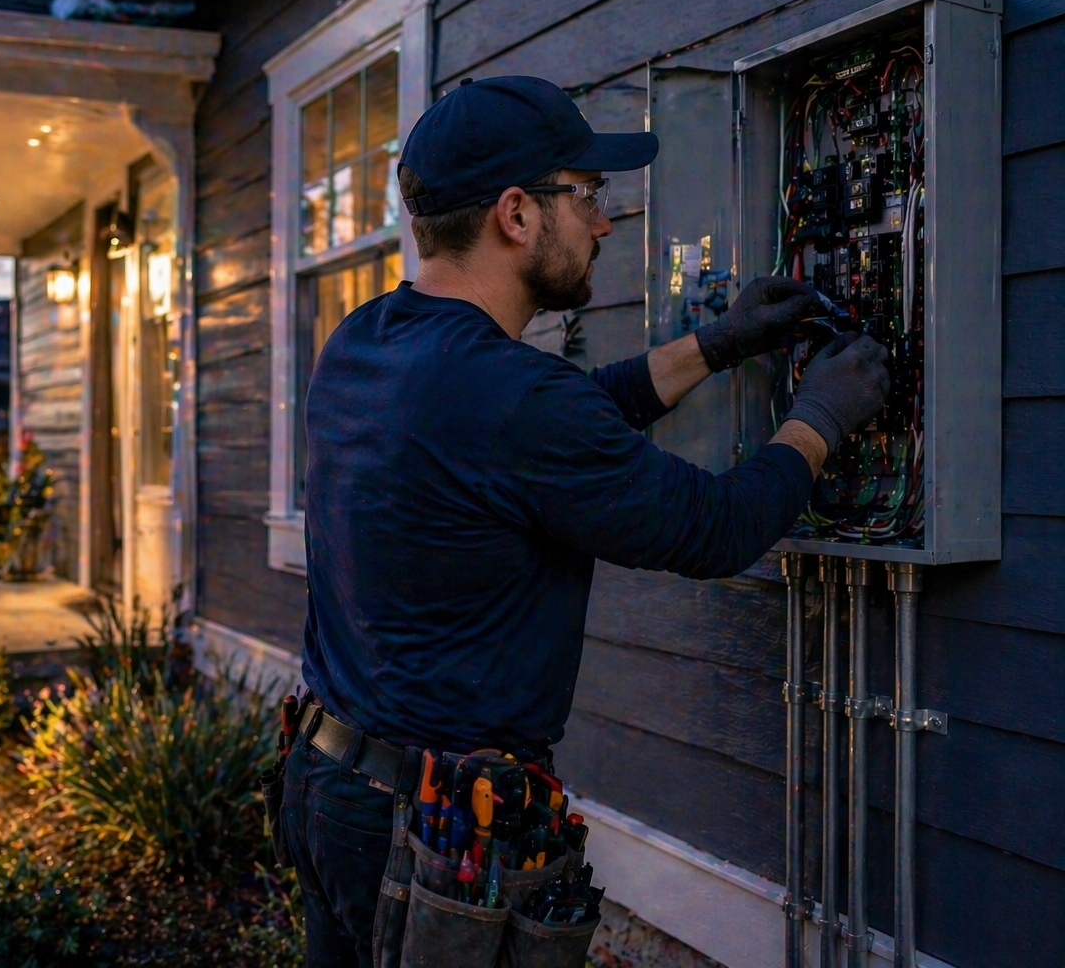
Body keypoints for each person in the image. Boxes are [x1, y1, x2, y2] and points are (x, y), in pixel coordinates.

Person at [279, 76, 890, 967]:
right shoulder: (516, 400)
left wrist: (716, 345)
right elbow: (714, 528)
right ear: (517, 214)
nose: (603, 222)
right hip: (427, 838)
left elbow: (554, 427)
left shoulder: (367, 339)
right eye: (589, 195)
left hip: (328, 784)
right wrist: (822, 418)